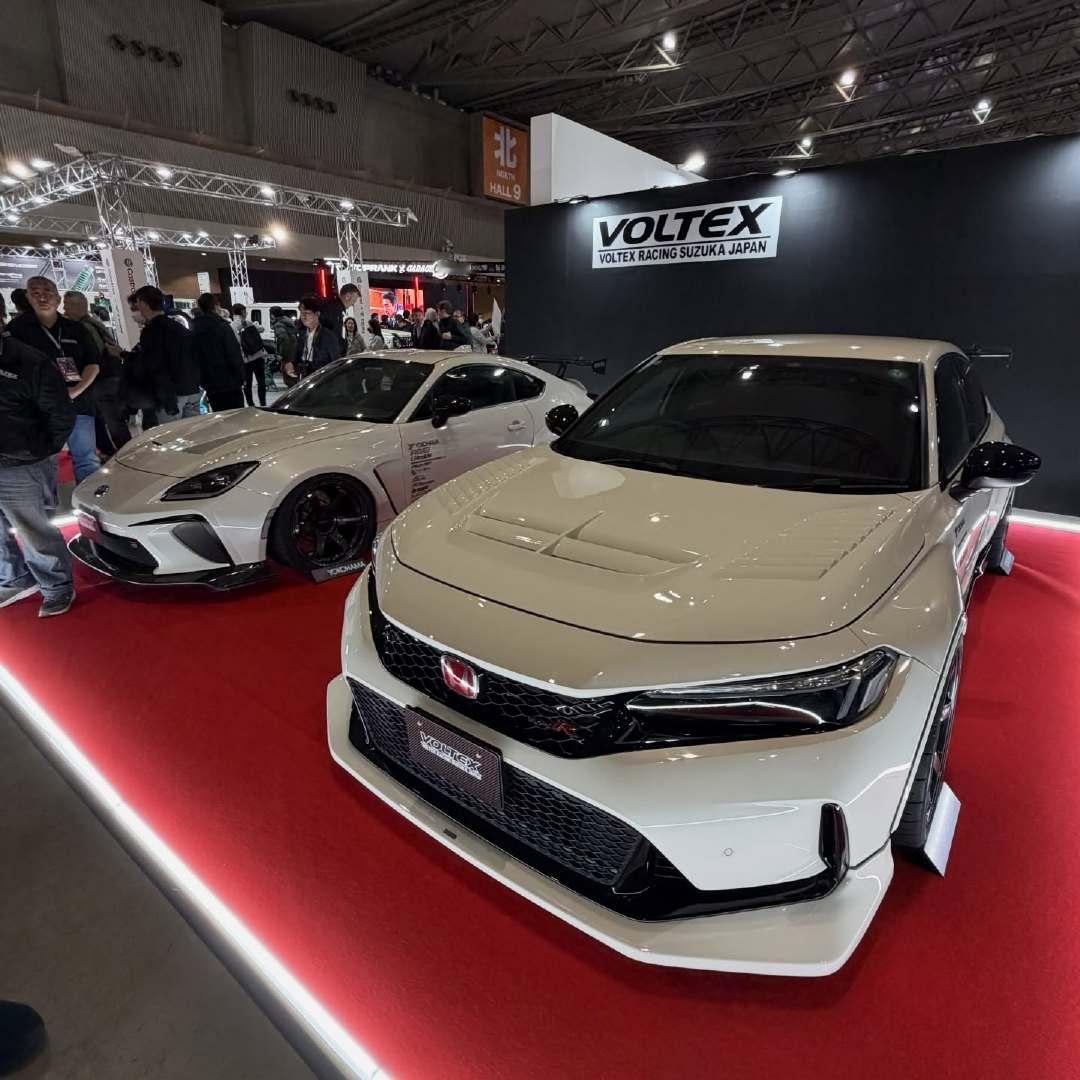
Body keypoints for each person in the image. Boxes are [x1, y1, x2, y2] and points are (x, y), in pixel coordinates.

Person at [0, 293, 78, 617]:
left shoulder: (29, 362)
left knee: (34, 529)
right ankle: (13, 578)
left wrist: (40, 451)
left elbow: (61, 414)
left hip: (21, 462)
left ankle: (56, 586)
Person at [9, 276, 101, 483]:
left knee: (86, 459)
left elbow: (93, 364)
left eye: (47, 292)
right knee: (44, 461)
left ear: (57, 298)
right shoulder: (16, 330)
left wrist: (74, 391)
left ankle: (88, 500)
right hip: (40, 410)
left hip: (78, 404)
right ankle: (47, 501)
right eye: (35, 293)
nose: (42, 297)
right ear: (28, 297)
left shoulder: (76, 329)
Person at [63, 290, 128, 455]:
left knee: (111, 419)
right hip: (108, 377)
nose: (64, 309)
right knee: (110, 417)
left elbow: (94, 357)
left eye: (67, 305)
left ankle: (122, 454)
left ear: (76, 306)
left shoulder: (83, 327)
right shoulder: (94, 323)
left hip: (100, 380)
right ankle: (116, 452)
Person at [128, 285, 201, 423]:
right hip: (192, 389)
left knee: (171, 434)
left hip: (170, 395)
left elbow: (154, 364)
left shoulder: (151, 331)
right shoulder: (178, 326)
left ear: (143, 303)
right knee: (194, 432)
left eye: (137, 303)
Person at [191, 294, 245, 410]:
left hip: (210, 383)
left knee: (219, 414)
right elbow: (233, 353)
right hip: (230, 382)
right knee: (237, 414)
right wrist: (241, 376)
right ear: (216, 306)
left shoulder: (194, 329)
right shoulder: (222, 326)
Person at [231, 303, 269, 407]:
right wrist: (255, 324)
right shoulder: (249, 323)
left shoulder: (232, 326)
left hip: (245, 359)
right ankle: (263, 404)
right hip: (258, 356)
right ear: (243, 312)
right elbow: (262, 329)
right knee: (261, 382)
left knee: (247, 384)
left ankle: (251, 405)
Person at [296, 295, 342, 375]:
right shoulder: (302, 334)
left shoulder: (328, 336)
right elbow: (297, 357)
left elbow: (336, 364)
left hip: (321, 378)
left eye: (307, 313)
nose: (303, 316)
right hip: (305, 378)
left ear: (317, 314)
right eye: (301, 313)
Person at [271, 306, 300, 386]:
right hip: (294, 352)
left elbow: (283, 340)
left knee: (288, 378)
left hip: (287, 355)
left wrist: (282, 355)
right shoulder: (287, 321)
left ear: (273, 314)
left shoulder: (279, 324)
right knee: (293, 375)